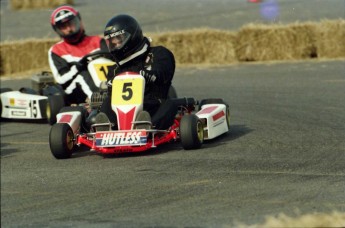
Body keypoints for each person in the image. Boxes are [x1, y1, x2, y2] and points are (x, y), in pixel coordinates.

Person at [98, 14, 177, 130]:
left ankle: (145, 126)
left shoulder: (158, 53)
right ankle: (105, 126)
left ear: (132, 36)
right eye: (112, 43)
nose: (115, 47)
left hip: (152, 103)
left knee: (170, 105)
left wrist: (151, 75)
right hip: (121, 110)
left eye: (118, 41)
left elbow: (164, 73)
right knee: (106, 103)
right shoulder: (115, 69)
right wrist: (110, 85)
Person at [48, 5, 105, 105]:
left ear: (79, 21)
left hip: (102, 81)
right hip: (74, 90)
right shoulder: (56, 50)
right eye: (63, 26)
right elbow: (61, 79)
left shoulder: (98, 41)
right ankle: (101, 104)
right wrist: (78, 67)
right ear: (57, 30)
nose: (69, 29)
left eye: (71, 23)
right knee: (83, 75)